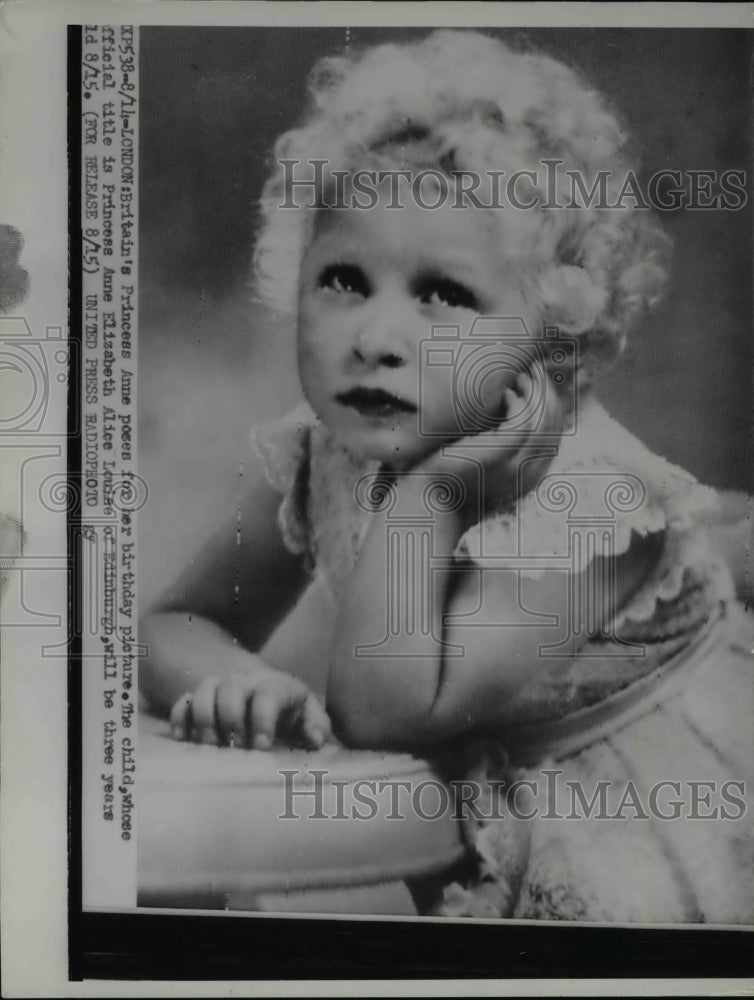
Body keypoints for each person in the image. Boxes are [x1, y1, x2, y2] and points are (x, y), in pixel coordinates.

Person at [139, 30, 753, 922]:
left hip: (647, 833)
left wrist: (433, 498)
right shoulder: (330, 448)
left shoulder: (606, 507)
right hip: (484, 801)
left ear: (550, 331)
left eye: (446, 294)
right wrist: (241, 683)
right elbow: (177, 619)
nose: (377, 336)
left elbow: (385, 711)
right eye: (344, 278)